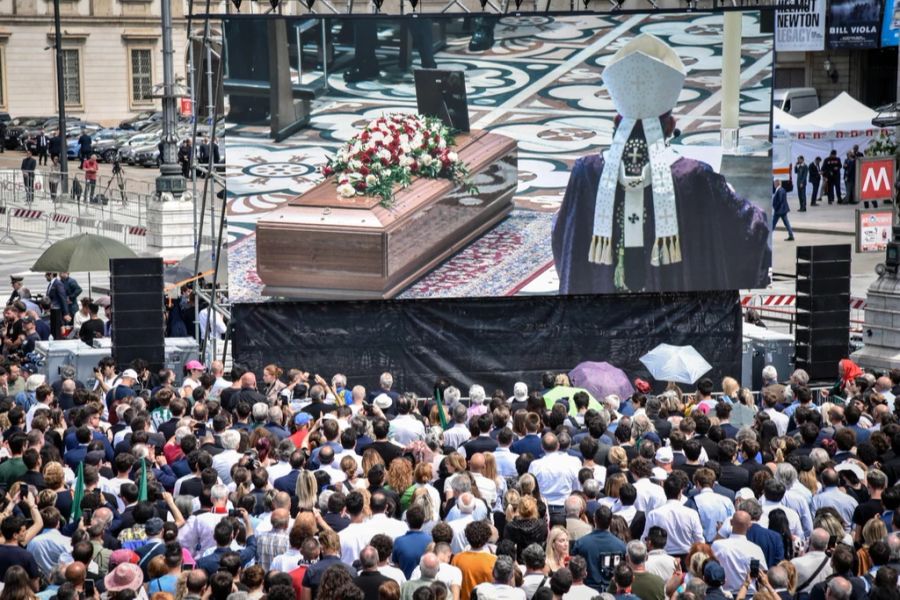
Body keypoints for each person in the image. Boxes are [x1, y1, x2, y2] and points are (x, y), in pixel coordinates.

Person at [552, 34, 770, 294]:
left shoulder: (585, 172)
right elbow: (747, 231)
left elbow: (562, 236)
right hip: (671, 324)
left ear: (615, 123)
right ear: (670, 126)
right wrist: (729, 197)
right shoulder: (694, 177)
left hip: (602, 323)